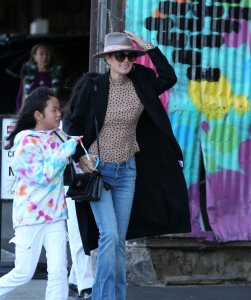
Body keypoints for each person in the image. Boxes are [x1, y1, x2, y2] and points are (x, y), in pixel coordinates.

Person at [67, 31, 191, 300]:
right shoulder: (95, 87)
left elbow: (169, 77)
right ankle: (101, 297)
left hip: (128, 169)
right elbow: (73, 126)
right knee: (109, 236)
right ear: (108, 59)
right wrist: (80, 156)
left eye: (131, 55)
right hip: (99, 171)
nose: (127, 60)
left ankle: (116, 297)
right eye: (120, 55)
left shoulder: (142, 81)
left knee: (119, 242)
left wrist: (149, 48)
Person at [0, 87, 80, 300]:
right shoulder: (26, 142)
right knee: (24, 272)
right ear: (38, 115)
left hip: (55, 214)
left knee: (59, 269)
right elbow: (42, 176)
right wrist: (64, 152)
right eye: (53, 110)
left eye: (58, 109)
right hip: (30, 216)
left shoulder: (59, 135)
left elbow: (69, 164)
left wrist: (83, 159)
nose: (59, 113)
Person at [62, 72, 101, 300]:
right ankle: (86, 285)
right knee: (79, 234)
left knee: (90, 235)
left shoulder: (103, 116)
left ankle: (76, 280)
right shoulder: (71, 120)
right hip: (74, 184)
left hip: (94, 182)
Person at [15, 43, 62, 111]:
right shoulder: (27, 76)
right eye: (41, 54)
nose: (45, 57)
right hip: (30, 115)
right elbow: (19, 99)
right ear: (34, 57)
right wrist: (22, 115)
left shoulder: (57, 75)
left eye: (47, 54)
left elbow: (62, 98)